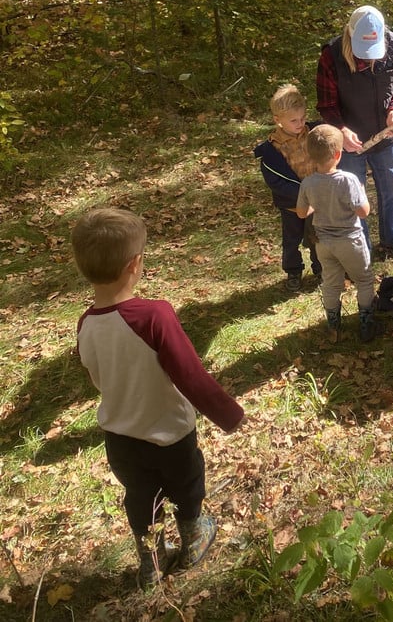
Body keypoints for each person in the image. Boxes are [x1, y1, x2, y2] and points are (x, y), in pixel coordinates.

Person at [71, 206, 246, 591]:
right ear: (135, 264)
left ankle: (150, 563)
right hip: (170, 431)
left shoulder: (86, 324)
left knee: (141, 498)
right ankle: (194, 536)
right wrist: (230, 414)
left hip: (120, 437)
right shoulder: (155, 316)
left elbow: (96, 376)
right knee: (187, 486)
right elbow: (190, 375)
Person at [316, 4, 393, 260]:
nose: (369, 59)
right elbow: (326, 104)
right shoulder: (332, 55)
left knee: (391, 186)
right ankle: (361, 249)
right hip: (350, 141)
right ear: (350, 35)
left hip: (385, 137)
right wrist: (341, 130)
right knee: (353, 194)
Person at [295, 124, 380, 342]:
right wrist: (362, 191)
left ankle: (333, 325)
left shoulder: (308, 183)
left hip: (323, 244)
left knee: (331, 284)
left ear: (311, 156)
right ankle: (366, 323)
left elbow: (302, 213)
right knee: (364, 280)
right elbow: (363, 212)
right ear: (338, 154)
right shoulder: (348, 180)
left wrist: (319, 204)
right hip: (350, 241)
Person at [253, 83, 322, 292]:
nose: (300, 123)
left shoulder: (314, 133)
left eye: (302, 118)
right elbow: (276, 181)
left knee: (317, 237)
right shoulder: (271, 151)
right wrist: (301, 195)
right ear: (278, 120)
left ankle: (321, 269)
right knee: (291, 241)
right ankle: (293, 271)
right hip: (291, 205)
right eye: (293, 121)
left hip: (316, 203)